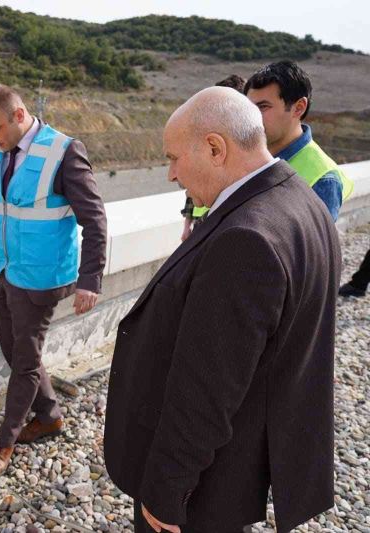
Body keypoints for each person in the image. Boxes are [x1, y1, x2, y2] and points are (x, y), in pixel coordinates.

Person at [104, 87, 340, 533]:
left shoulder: (245, 239)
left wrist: (166, 491)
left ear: (215, 148)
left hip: (207, 487)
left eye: (174, 157)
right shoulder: (301, 199)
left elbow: (207, 388)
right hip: (242, 462)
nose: (172, 174)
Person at [0, 84, 107, 480]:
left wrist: (90, 279)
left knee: (24, 362)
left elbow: (94, 219)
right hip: (8, 270)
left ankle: (3, 445)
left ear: (19, 115)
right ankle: (50, 415)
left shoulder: (63, 151)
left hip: (42, 278)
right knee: (16, 352)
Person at [244, 60, 353, 221]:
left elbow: (313, 245)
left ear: (299, 107)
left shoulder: (322, 179)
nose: (251, 116)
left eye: (263, 107)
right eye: (248, 107)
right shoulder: (244, 156)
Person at [181, 75, 245, 241]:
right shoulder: (208, 140)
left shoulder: (249, 149)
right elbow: (192, 186)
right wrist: (187, 226)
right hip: (202, 225)